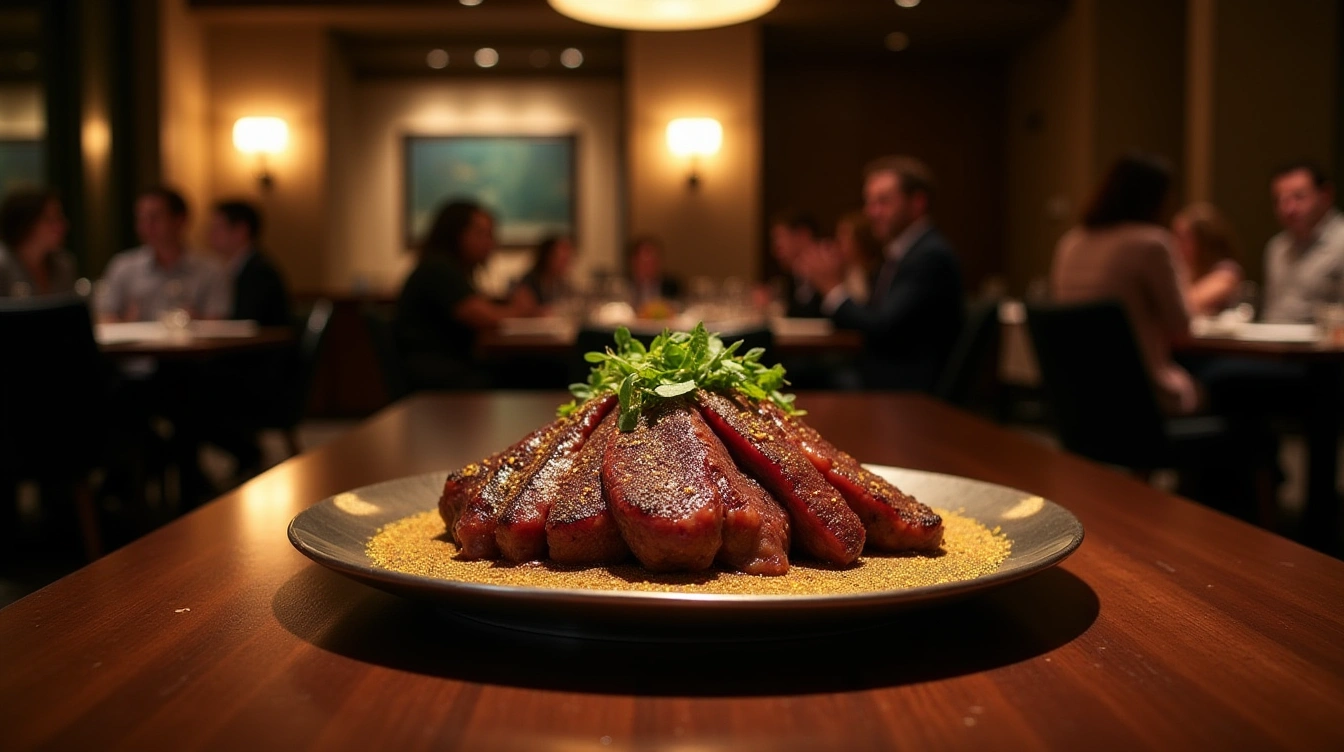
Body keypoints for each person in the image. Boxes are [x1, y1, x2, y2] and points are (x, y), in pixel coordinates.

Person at [799, 155, 964, 391]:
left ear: (917, 203)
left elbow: (882, 327)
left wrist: (832, 288)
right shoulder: (901, 253)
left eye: (883, 201)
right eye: (870, 202)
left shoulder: (929, 256)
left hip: (906, 391)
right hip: (884, 376)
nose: (872, 212)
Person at [1050, 153, 1196, 415]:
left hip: (1081, 391)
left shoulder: (1070, 242)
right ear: (1156, 198)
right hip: (1141, 393)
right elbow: (1181, 328)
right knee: (1234, 386)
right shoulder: (1151, 243)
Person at [395, 199, 538, 390]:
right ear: (455, 234)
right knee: (536, 372)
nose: (490, 243)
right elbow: (483, 316)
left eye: (491, 235)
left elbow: (478, 305)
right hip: (438, 374)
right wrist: (521, 309)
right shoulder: (439, 269)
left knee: (529, 368)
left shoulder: (448, 268)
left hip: (447, 368)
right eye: (481, 234)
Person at [97, 186, 229, 323]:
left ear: (180, 220)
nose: (146, 226)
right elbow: (104, 318)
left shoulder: (211, 270)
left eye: (154, 218)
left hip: (191, 344)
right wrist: (127, 322)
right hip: (137, 344)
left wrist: (195, 321)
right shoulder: (123, 266)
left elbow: (218, 323)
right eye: (141, 218)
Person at [1261, 161, 1344, 323]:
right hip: (1270, 343)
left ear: (1326, 196)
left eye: (1299, 197)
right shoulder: (1276, 247)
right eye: (1280, 200)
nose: (1288, 208)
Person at [207, 199, 291, 326]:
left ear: (241, 231)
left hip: (263, 344)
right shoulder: (237, 267)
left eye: (218, 227)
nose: (210, 233)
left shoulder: (259, 272)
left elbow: (247, 322)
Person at [0, 188, 77, 297]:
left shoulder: (63, 265)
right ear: (25, 224)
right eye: (52, 219)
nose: (63, 225)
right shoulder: (2, 267)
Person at [1172, 202, 1244, 316]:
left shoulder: (1227, 271)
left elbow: (1186, 305)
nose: (1174, 243)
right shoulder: (1184, 269)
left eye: (1182, 237)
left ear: (1203, 241)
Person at [768, 210, 823, 317]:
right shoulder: (796, 276)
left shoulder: (830, 271)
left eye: (779, 238)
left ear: (803, 235)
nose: (775, 249)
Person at [509, 234, 575, 310]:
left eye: (568, 259)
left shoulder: (559, 283)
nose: (567, 264)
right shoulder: (528, 284)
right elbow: (526, 312)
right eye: (562, 260)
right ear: (547, 257)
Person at [834, 210, 882, 306]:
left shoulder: (878, 274)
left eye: (844, 237)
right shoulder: (842, 272)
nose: (838, 243)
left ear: (861, 240)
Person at [626, 235, 681, 309]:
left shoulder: (672, 286)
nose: (649, 268)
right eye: (644, 263)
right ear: (634, 262)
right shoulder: (624, 285)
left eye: (653, 262)